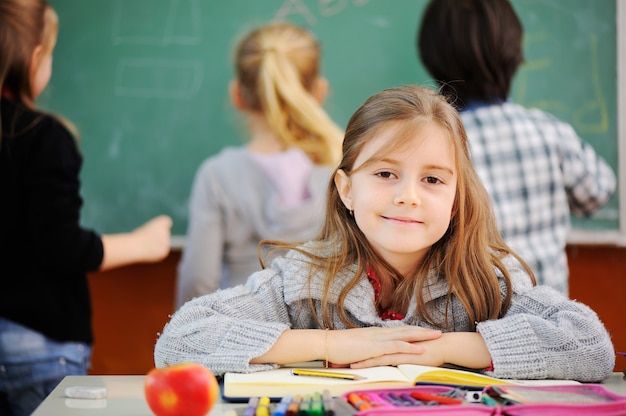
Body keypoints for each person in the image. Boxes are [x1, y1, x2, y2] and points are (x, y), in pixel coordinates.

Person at [154, 85, 614, 384]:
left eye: (433, 180)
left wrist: (443, 350)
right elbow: (181, 341)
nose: (409, 196)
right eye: (386, 174)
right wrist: (331, 344)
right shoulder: (302, 279)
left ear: (456, 200)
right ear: (347, 189)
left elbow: (591, 345)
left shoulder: (487, 279)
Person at [0, 1, 173, 415]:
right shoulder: (42, 136)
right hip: (37, 346)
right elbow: (59, 246)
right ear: (35, 57)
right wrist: (141, 244)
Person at [417, 0, 616, 295]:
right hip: (550, 320)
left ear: (432, 59)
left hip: (477, 326)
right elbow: (598, 193)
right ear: (514, 54)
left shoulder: (435, 145)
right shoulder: (549, 131)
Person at [175, 21, 343, 308]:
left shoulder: (217, 175)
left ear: (237, 94)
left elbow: (198, 281)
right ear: (319, 92)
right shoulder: (345, 169)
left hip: (246, 339)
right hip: (327, 338)